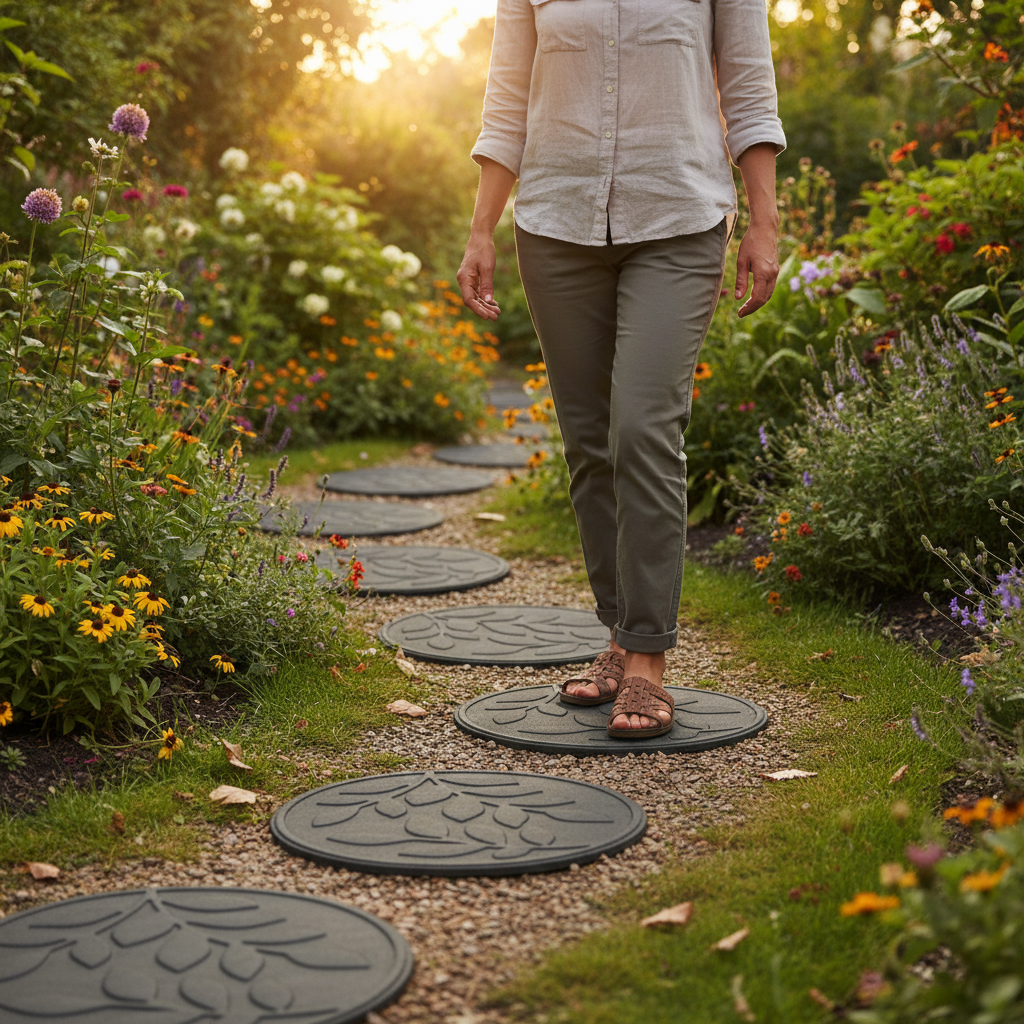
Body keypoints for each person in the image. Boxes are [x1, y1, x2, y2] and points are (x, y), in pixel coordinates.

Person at [458, 0, 785, 739]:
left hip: (678, 216)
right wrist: (480, 227)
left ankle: (646, 662)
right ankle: (618, 631)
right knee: (589, 440)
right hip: (555, 220)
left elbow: (749, 86)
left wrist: (763, 221)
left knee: (642, 428)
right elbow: (507, 99)